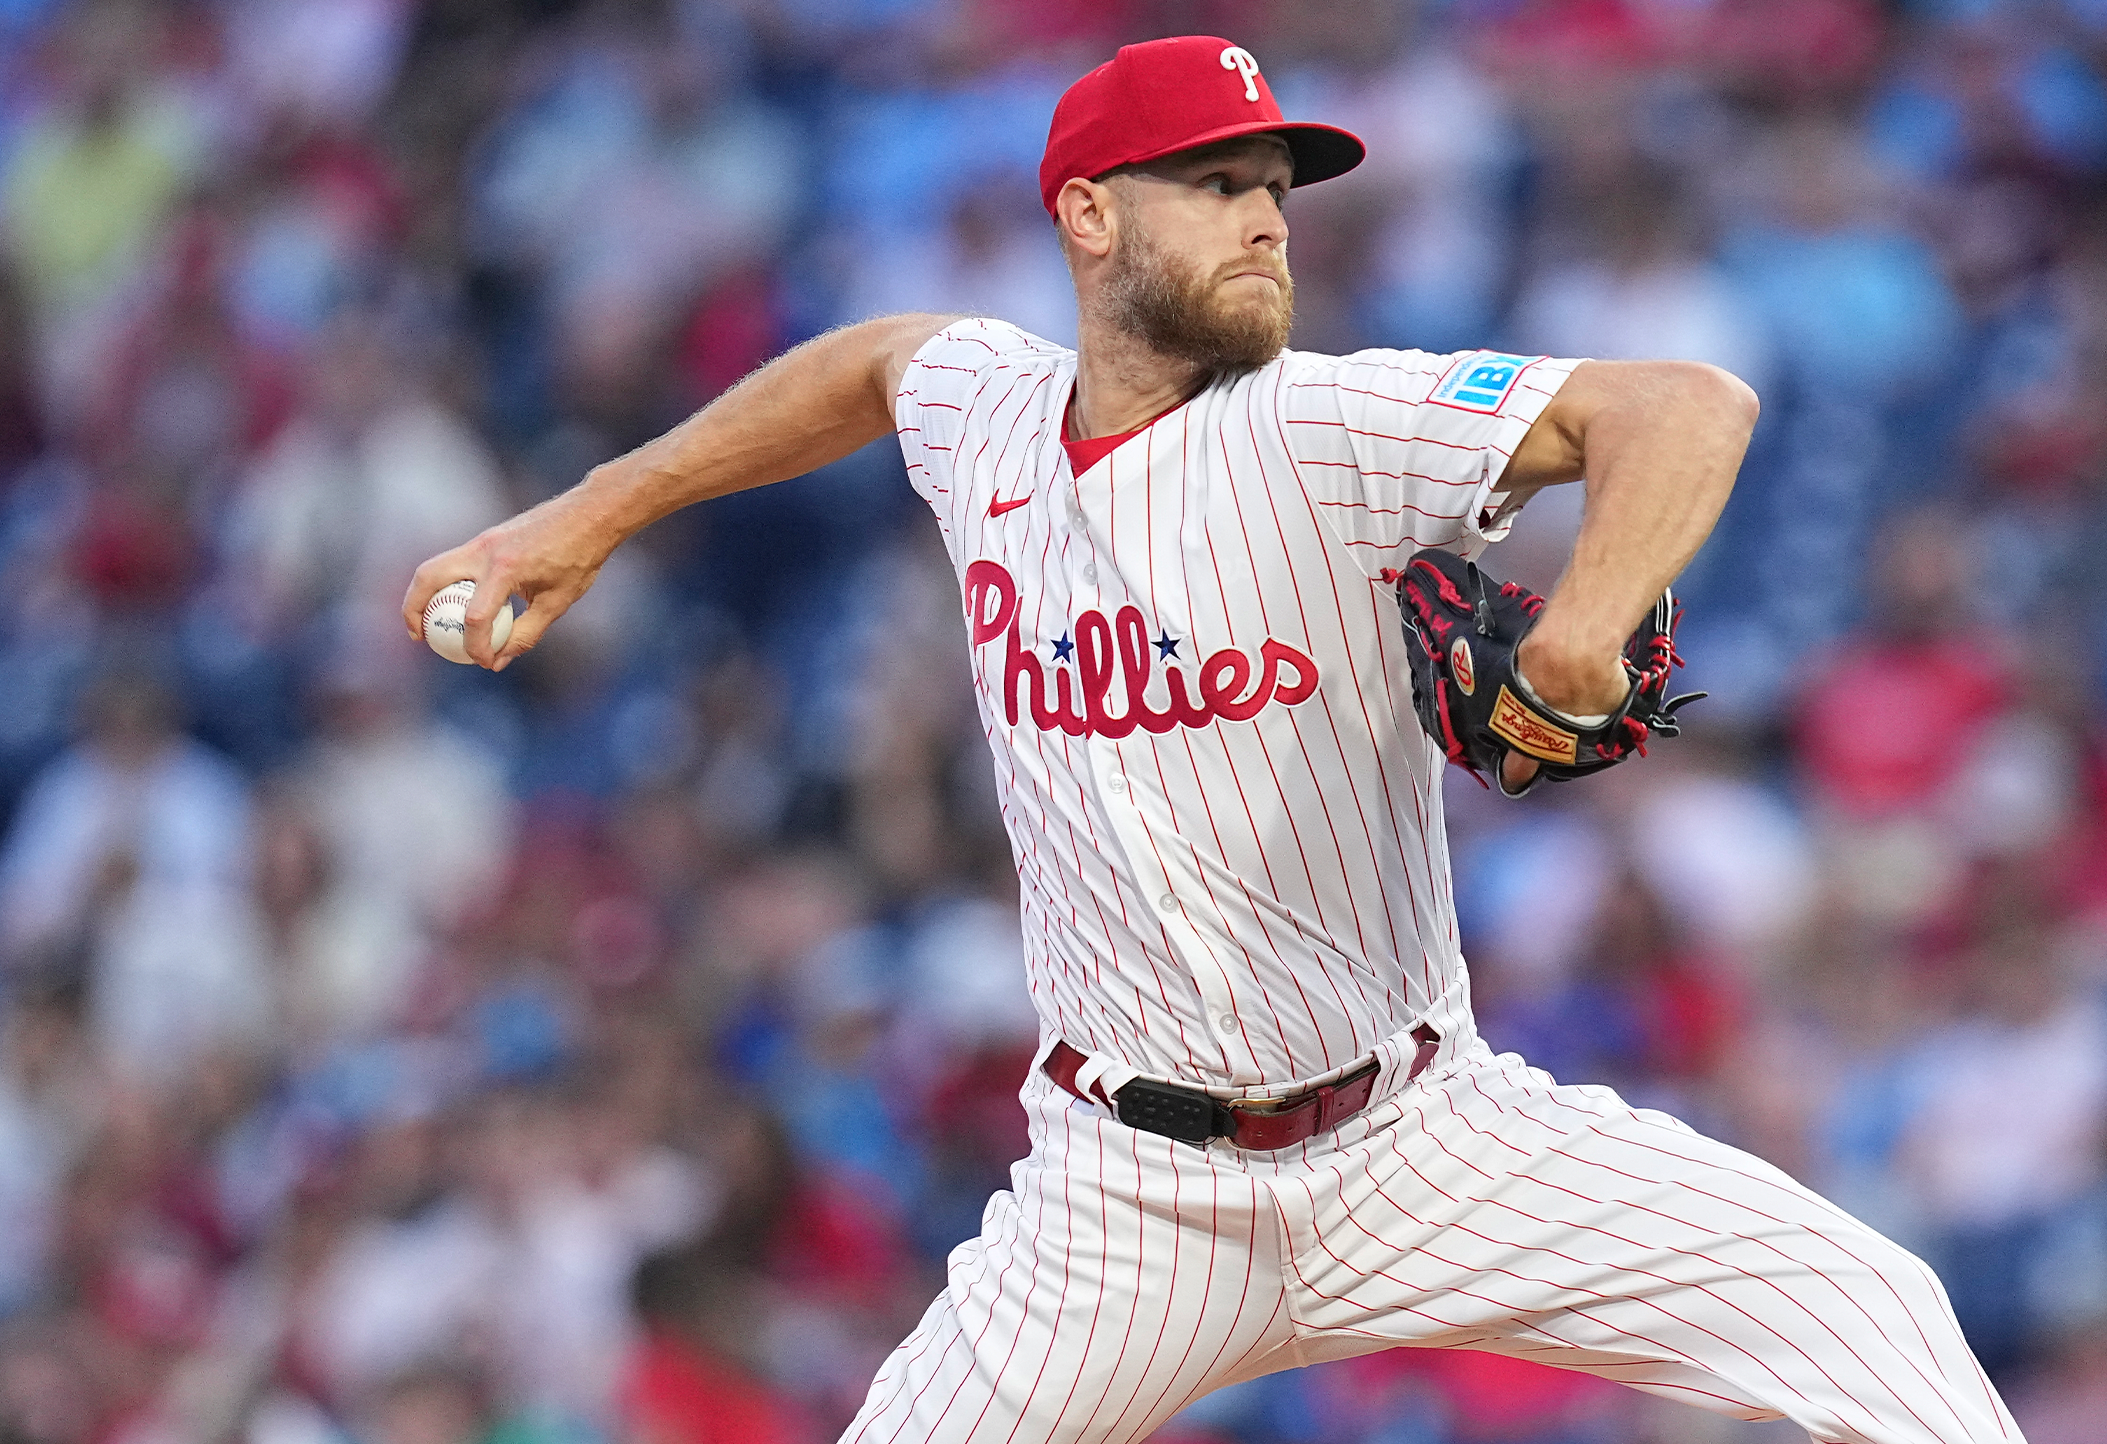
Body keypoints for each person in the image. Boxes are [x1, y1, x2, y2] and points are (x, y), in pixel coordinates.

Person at [406, 36, 2021, 1444]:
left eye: (1276, 185)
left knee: (1868, 1312)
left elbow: (1685, 406)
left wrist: (1589, 624)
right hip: (1122, 1203)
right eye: (1211, 180)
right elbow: (879, 362)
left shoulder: (1327, 425)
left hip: (1420, 1143)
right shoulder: (991, 414)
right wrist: (592, 509)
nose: (1264, 216)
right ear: (1088, 215)